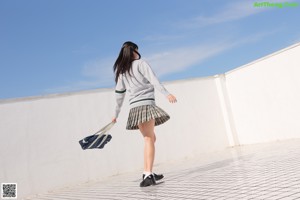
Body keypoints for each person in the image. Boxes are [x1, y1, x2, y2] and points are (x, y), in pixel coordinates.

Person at [112, 41, 177, 187]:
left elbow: (119, 95)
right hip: (146, 105)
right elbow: (154, 80)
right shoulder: (140, 63)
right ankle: (148, 174)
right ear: (134, 50)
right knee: (149, 139)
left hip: (134, 108)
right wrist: (167, 94)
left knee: (151, 138)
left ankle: (148, 172)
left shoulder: (122, 71)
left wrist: (115, 114)